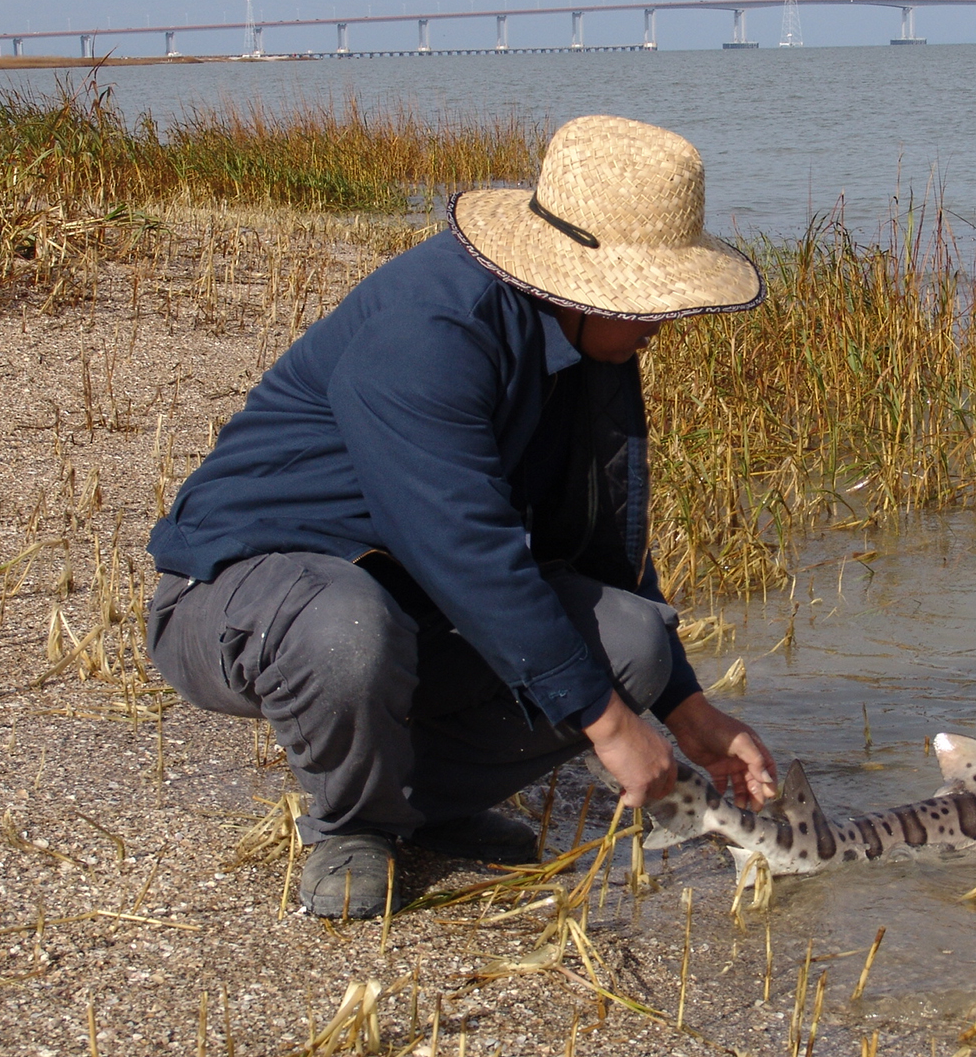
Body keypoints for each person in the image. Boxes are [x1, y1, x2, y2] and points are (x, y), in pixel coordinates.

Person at [146, 115, 778, 918]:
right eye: (647, 299)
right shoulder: (432, 330)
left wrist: (689, 711)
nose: (662, 323)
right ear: (575, 281)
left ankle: (420, 802)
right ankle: (355, 823)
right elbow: (467, 551)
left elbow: (596, 551)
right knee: (348, 627)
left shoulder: (594, 345)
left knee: (635, 642)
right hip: (243, 594)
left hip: (411, 603)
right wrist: (612, 728)